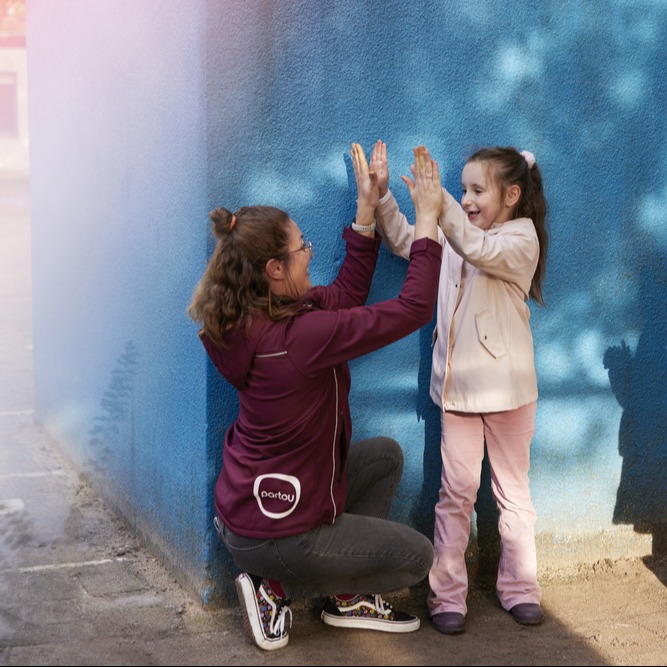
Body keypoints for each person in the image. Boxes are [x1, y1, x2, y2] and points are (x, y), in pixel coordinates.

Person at [187, 144, 444, 651]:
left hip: (251, 512)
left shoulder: (263, 315)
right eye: (302, 246)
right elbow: (414, 308)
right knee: (417, 558)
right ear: (274, 269)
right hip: (276, 532)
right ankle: (274, 588)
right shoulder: (299, 336)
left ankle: (341, 595)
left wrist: (367, 211)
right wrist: (428, 222)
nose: (310, 251)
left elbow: (345, 297)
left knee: (384, 458)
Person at [371, 141, 549, 634]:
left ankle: (520, 588)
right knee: (456, 494)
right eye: (463, 189)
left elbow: (479, 247)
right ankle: (447, 595)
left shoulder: (520, 238)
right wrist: (386, 199)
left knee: (513, 494)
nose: (467, 199)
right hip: (459, 395)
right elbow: (408, 240)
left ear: (512, 195)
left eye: (477, 190)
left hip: (511, 393)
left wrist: (440, 202)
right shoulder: (454, 235)